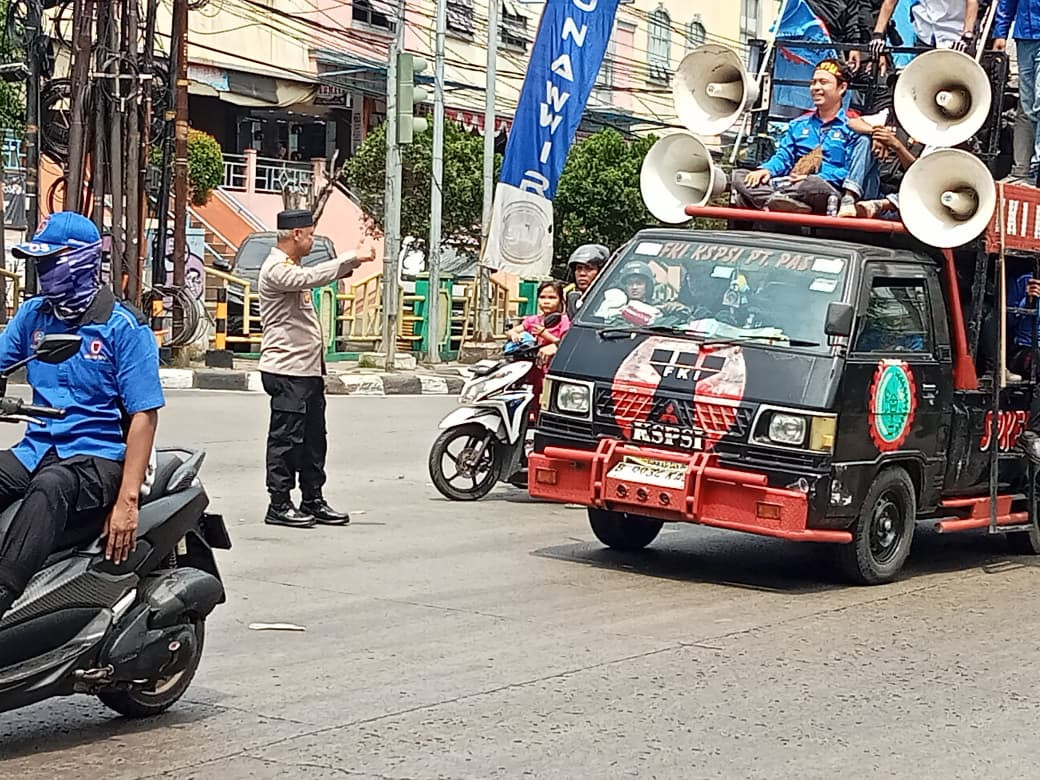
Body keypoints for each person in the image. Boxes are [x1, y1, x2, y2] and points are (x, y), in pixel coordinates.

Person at [0, 212, 164, 620]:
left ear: (80, 261)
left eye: (51, 262)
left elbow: (144, 414)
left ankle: (4, 595)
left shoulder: (123, 326)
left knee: (50, 487)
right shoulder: (35, 315)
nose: (43, 272)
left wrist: (128, 503)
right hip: (37, 447)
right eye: (39, 263)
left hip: (98, 456)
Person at [258, 209, 374, 528]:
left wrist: (352, 264)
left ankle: (313, 498)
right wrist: (352, 257)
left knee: (313, 440)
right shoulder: (276, 269)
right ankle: (279, 503)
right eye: (309, 234)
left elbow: (316, 275)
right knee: (286, 440)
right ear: (295, 234)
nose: (311, 240)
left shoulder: (292, 266)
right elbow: (310, 278)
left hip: (307, 371)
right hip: (286, 370)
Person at [732, 59, 865, 215]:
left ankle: (776, 201)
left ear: (842, 88)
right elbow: (783, 157)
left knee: (813, 183)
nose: (816, 88)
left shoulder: (852, 126)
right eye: (813, 82)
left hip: (824, 189)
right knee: (739, 176)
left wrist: (812, 177)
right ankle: (783, 202)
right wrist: (766, 170)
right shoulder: (798, 125)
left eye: (823, 82)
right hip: (790, 183)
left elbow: (849, 172)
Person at [506, 281, 571, 412]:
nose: (546, 301)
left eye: (552, 298)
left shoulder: (563, 321)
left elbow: (564, 343)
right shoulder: (533, 320)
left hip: (551, 366)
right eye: (542, 297)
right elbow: (513, 331)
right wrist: (513, 334)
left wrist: (545, 334)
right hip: (532, 366)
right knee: (530, 392)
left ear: (560, 300)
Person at [995, 0, 1040, 182]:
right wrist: (1001, 33)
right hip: (1025, 36)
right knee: (1029, 105)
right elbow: (1007, 2)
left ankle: (1038, 164)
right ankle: (1028, 165)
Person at [871, 0, 980, 53]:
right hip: (926, 33)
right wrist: (878, 34)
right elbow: (889, 2)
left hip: (956, 35)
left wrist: (967, 34)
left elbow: (972, 3)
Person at [565, 244, 609, 318]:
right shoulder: (573, 299)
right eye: (579, 268)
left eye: (589, 268)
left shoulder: (610, 299)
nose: (582, 273)